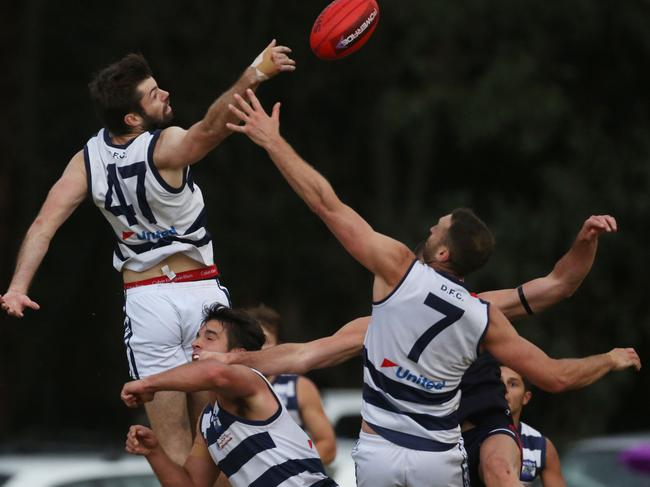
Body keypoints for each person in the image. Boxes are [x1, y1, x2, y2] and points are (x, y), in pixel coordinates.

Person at [221, 90, 641, 487]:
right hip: (436, 457)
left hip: (383, 450)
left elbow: (325, 204)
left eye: (436, 228)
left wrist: (273, 142)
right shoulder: (484, 315)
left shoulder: (396, 275)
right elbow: (555, 364)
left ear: (442, 254)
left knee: (498, 465)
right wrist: (606, 356)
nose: (429, 228)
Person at [1, 43, 296, 465]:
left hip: (146, 302)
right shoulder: (166, 145)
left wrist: (17, 287)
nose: (166, 94)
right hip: (201, 296)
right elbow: (212, 127)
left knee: (173, 444)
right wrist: (253, 74)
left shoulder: (86, 160)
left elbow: (43, 225)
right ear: (132, 119)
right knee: (221, 432)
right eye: (154, 93)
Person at [200, 214, 631, 487]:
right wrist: (234, 360)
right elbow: (305, 355)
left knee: (501, 473)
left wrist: (585, 241)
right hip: (421, 445)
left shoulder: (477, 311)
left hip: (483, 423)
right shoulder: (379, 323)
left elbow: (558, 285)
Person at [122, 304, 337, 487]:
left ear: (238, 355)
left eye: (210, 337)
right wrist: (154, 452)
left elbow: (215, 374)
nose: (196, 343)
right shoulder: (207, 422)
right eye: (198, 335)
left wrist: (149, 383)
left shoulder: (251, 379)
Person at [247, 304, 336, 465]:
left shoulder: (298, 387)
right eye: (252, 340)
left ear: (279, 346)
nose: (258, 347)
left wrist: (290, 470)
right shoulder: (224, 389)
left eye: (264, 340)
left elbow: (327, 446)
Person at [500, 366, 567, 486]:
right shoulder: (464, 434)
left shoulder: (541, 446)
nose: (504, 389)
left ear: (525, 398)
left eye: (513, 384)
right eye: (498, 383)